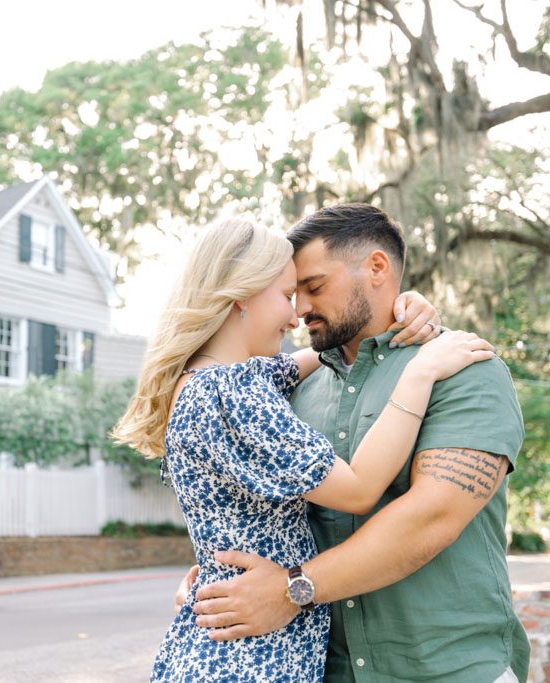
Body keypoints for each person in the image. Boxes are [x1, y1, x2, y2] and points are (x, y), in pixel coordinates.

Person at [112, 218, 496, 682]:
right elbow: (357, 491)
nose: (296, 315)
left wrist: (407, 312)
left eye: (310, 290)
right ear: (241, 296)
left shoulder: (229, 381)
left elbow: (320, 353)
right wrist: (419, 373)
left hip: (241, 645)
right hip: (248, 658)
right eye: (287, 295)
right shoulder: (235, 394)